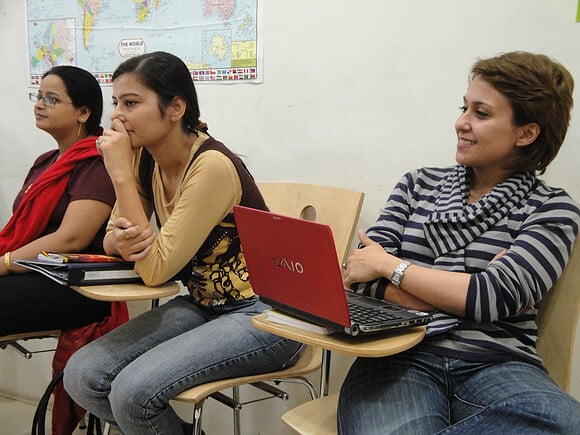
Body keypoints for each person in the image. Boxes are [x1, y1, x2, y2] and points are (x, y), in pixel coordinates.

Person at [338, 51, 580, 434]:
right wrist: (466, 294)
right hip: (399, 355)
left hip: (498, 363)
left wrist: (392, 266)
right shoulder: (417, 184)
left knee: (565, 422)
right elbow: (358, 275)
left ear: (526, 132)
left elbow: (491, 296)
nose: (460, 123)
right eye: (464, 108)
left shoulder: (554, 209)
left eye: (481, 114)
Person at [63, 51, 303, 434]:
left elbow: (156, 270)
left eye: (131, 103)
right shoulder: (144, 158)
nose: (116, 118)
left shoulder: (211, 166)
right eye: (116, 104)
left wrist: (121, 177)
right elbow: (112, 238)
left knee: (132, 394)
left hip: (265, 314)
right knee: (82, 375)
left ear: (175, 107)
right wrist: (123, 240)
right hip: (203, 304)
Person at [0, 65, 116, 336]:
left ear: (83, 113)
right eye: (38, 96)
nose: (40, 105)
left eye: (51, 99)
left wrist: (5, 263)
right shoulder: (46, 162)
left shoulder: (97, 163)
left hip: (74, 284)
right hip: (31, 272)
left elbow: (71, 239)